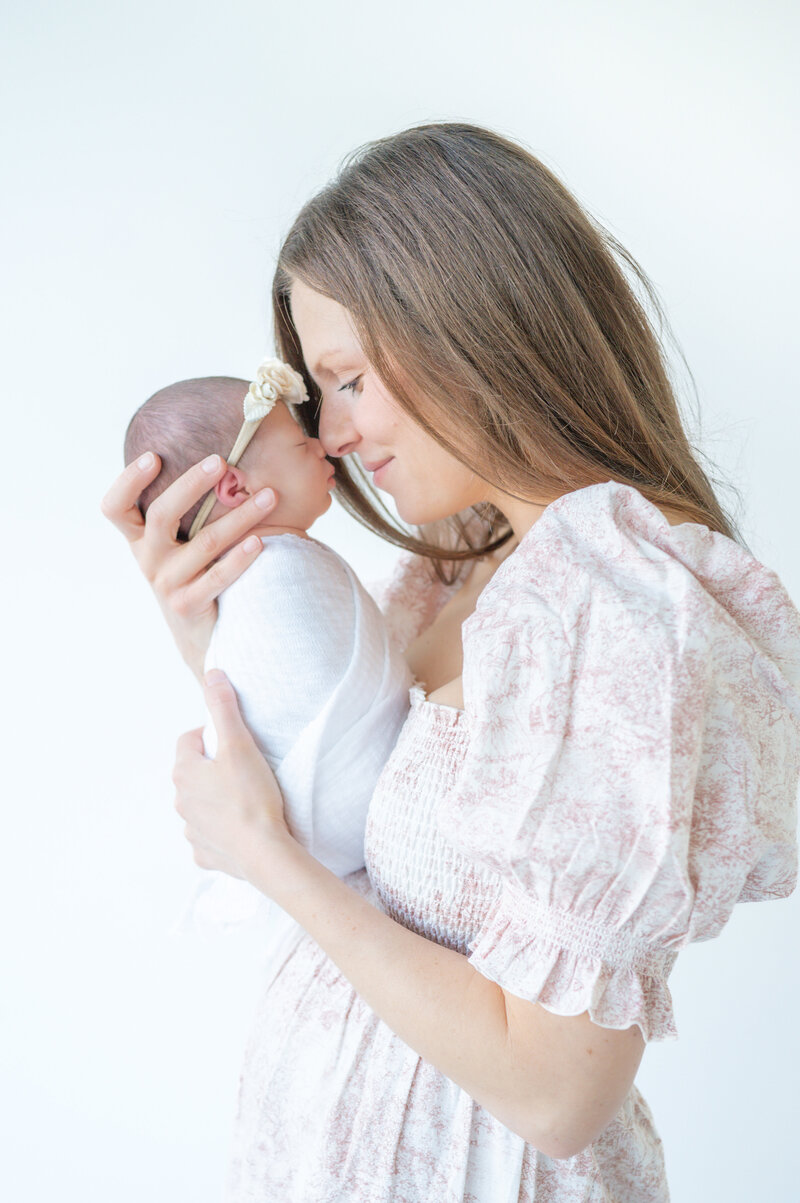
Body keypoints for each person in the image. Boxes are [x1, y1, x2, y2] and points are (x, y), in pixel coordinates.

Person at [102, 123, 800, 1201]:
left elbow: (554, 1096)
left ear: (465, 328)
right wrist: (207, 626)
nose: (327, 435)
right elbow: (345, 806)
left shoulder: (616, 613)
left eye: (345, 381)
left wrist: (263, 857)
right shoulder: (467, 563)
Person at [122, 366, 412, 944]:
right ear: (234, 488)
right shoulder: (271, 571)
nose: (324, 443)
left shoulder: (271, 571)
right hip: (322, 805)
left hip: (311, 836)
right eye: (301, 441)